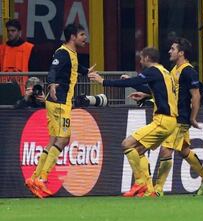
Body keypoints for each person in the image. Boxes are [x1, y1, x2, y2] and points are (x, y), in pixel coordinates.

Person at [89, 47, 177, 197]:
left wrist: (103, 82)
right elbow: (159, 91)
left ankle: (140, 182)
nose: (140, 61)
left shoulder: (152, 71)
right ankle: (149, 189)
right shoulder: (164, 72)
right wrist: (143, 93)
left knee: (126, 144)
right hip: (170, 121)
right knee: (139, 151)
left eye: (142, 58)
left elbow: (136, 80)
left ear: (148, 58)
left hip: (162, 120)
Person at [24, 23, 95, 198]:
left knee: (54, 140)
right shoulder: (62, 52)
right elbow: (53, 69)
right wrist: (52, 84)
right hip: (60, 102)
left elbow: (73, 67)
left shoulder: (71, 53)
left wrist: (86, 72)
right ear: (72, 37)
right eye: (82, 35)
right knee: (63, 140)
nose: (85, 38)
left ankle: (34, 178)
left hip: (58, 103)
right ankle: (42, 178)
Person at [150, 38, 203, 196]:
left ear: (181, 53)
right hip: (174, 116)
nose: (169, 51)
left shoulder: (188, 71)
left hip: (181, 118)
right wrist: (146, 95)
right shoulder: (174, 70)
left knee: (166, 150)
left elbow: (196, 96)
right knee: (184, 150)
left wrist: (193, 117)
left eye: (173, 49)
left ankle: (158, 188)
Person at [0, 19, 38, 95]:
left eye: (13, 31)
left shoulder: (30, 48)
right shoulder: (1, 49)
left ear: (19, 32)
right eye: (8, 31)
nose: (10, 33)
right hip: (3, 91)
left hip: (23, 92)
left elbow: (34, 71)